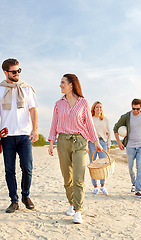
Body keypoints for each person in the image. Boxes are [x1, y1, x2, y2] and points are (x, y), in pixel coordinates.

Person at [48, 74, 103, 224]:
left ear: (71, 85)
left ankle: (78, 210)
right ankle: (72, 204)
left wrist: (96, 142)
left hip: (80, 142)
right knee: (68, 177)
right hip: (63, 141)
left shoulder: (83, 102)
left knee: (79, 177)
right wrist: (51, 142)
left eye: (62, 83)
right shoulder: (58, 104)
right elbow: (54, 123)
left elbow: (89, 124)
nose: (60, 85)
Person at [0, 58, 38, 213]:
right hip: (6, 136)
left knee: (27, 167)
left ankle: (26, 196)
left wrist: (35, 130)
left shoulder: (27, 89)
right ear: (5, 72)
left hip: (24, 134)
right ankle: (14, 200)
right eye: (13, 71)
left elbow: (33, 110)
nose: (17, 73)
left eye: (19, 70)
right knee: (9, 170)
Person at [88, 101, 111, 195]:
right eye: (97, 107)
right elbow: (86, 132)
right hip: (92, 143)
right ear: (94, 109)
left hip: (103, 142)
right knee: (93, 165)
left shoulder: (105, 119)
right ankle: (95, 186)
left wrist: (108, 146)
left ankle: (102, 186)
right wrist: (86, 145)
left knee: (103, 165)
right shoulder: (90, 119)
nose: (99, 109)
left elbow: (109, 134)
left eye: (100, 107)